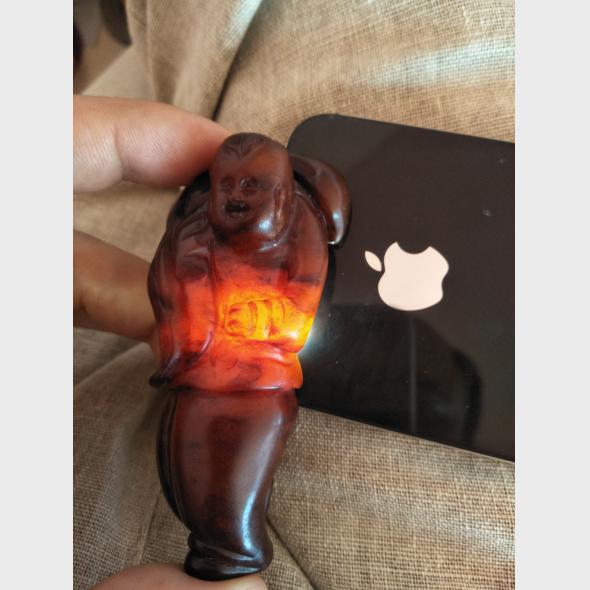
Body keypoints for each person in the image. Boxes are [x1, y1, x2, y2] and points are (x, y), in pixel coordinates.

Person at [74, 95, 267, 590]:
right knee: (189, 452)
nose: (238, 196)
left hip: (257, 379)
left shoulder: (291, 245)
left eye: (253, 185)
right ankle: (226, 545)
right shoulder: (191, 234)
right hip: (197, 367)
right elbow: (170, 284)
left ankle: (232, 545)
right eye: (229, 185)